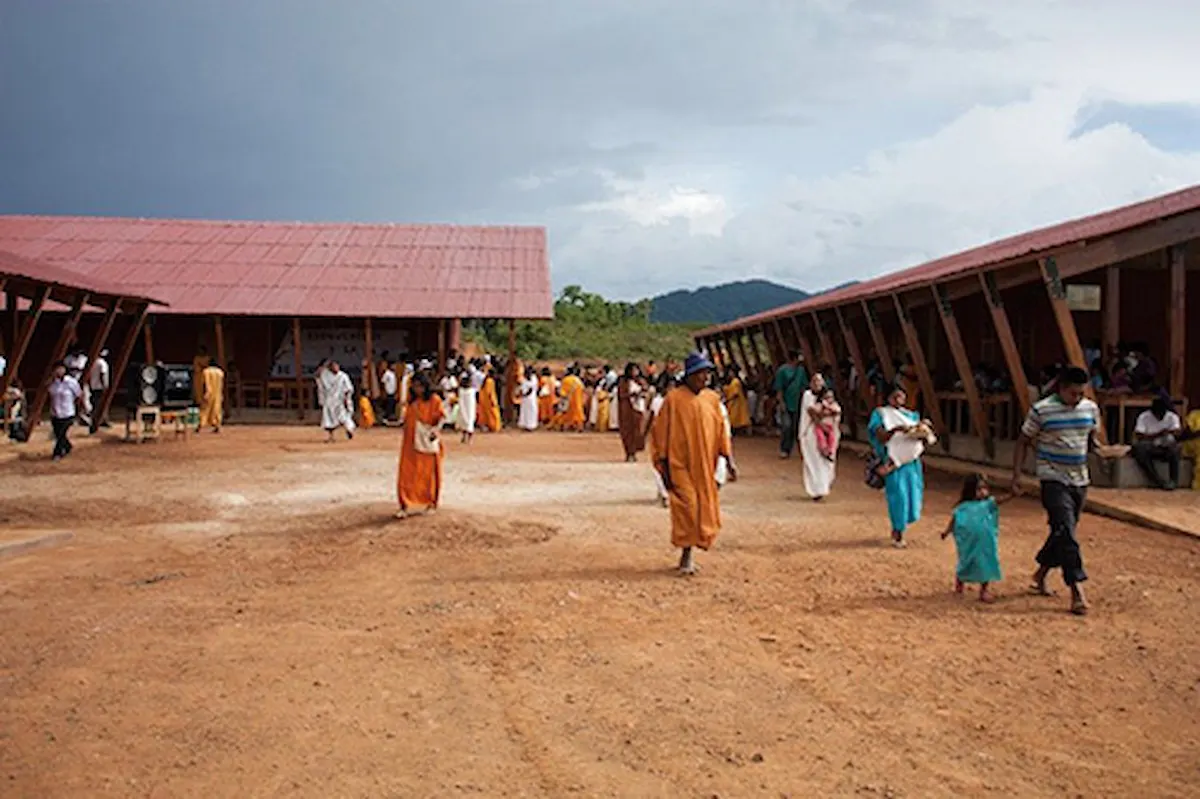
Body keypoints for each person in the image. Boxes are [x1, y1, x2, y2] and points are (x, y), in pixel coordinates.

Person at [1011, 366, 1100, 616]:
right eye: (1073, 394)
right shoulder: (1042, 410)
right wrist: (1017, 475)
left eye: (1081, 394)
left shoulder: (1090, 409)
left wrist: (1103, 451)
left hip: (1080, 479)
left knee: (1063, 531)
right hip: (1052, 478)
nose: (1078, 398)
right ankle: (1076, 588)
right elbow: (1023, 441)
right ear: (1061, 389)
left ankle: (1040, 574)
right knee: (1065, 530)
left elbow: (1091, 439)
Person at [650, 353, 737, 576]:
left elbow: (721, 432)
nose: (704, 378)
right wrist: (662, 463)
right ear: (688, 376)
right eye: (700, 373)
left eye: (707, 373)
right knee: (688, 506)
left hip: (704, 466)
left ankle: (691, 549)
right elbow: (660, 433)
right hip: (679, 465)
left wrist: (728, 459)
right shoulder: (673, 399)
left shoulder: (712, 399)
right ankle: (686, 553)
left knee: (703, 507)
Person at [867, 386, 927, 548]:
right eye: (896, 396)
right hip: (894, 461)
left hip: (911, 462)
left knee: (913, 495)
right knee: (898, 497)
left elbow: (922, 437)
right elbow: (881, 436)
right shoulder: (881, 414)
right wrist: (897, 430)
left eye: (902, 396)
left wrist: (924, 431)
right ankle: (897, 532)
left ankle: (903, 524)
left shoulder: (912, 415)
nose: (899, 399)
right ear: (889, 398)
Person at [941, 473, 1011, 603]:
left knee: (986, 564)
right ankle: (959, 585)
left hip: (985, 543)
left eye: (985, 488)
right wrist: (946, 532)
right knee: (965, 562)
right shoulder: (962, 507)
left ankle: (983, 590)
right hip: (969, 542)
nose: (983, 491)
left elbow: (1000, 500)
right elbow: (955, 520)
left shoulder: (988, 504)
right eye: (979, 488)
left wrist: (1012, 494)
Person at [396, 372, 445, 519]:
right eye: (415, 386)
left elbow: (441, 417)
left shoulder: (434, 400)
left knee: (429, 474)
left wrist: (436, 431)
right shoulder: (412, 402)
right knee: (407, 473)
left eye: (420, 386)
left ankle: (431, 502)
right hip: (410, 444)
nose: (417, 389)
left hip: (427, 442)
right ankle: (404, 504)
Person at [798, 375, 839, 501]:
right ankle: (816, 489)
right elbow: (812, 412)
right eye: (815, 381)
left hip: (829, 432)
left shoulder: (827, 398)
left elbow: (836, 412)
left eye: (820, 381)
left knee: (826, 461)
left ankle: (824, 485)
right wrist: (821, 425)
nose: (817, 384)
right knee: (813, 460)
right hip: (810, 431)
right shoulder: (808, 396)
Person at [1131, 397, 1183, 490]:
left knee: (1175, 449)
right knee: (1139, 449)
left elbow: (1177, 432)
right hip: (1150, 446)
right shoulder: (1144, 417)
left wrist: (1168, 433)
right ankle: (1157, 480)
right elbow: (1139, 435)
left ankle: (1173, 481)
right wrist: (1157, 434)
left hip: (1166, 447)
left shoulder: (1172, 417)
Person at [773, 351, 809, 459]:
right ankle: (784, 449)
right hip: (786, 403)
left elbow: (804, 387)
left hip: (798, 403)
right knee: (787, 427)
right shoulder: (782, 371)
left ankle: (795, 449)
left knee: (796, 428)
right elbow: (779, 388)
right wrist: (781, 403)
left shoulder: (801, 371)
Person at [47, 361, 82, 461]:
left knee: (61, 433)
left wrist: (78, 409)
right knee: (58, 433)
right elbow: (48, 391)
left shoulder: (71, 382)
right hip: (55, 413)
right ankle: (67, 446)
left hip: (68, 412)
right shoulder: (53, 383)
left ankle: (57, 453)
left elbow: (79, 394)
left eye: (60, 368)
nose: (58, 371)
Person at [318, 360, 356, 442]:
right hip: (329, 401)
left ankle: (349, 430)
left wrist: (346, 400)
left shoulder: (343, 376)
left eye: (336, 366)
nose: (335, 368)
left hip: (340, 400)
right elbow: (321, 386)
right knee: (329, 420)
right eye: (333, 367)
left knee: (344, 417)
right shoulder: (325, 375)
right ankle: (331, 436)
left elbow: (348, 389)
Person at [617, 363, 645, 462]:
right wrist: (631, 395)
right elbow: (621, 395)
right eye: (633, 370)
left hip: (637, 409)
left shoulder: (640, 381)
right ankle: (629, 453)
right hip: (627, 409)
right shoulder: (623, 382)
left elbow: (646, 391)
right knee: (627, 431)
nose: (635, 372)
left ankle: (634, 452)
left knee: (637, 431)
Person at [811, 385, 842, 461]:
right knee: (820, 435)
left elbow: (837, 411)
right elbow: (815, 410)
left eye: (831, 397)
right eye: (827, 397)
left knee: (832, 437)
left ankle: (830, 451)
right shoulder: (820, 405)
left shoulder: (834, 405)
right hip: (821, 425)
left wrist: (827, 407)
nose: (829, 399)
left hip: (831, 426)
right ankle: (824, 448)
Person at [197, 357, 225, 433]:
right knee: (216, 410)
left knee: (205, 409)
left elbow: (204, 383)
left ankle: (200, 425)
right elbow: (222, 384)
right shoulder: (220, 372)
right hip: (217, 393)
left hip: (208, 392)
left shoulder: (206, 371)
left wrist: (203, 392)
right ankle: (217, 425)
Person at [87, 348, 111, 433]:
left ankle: (99, 421)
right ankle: (96, 423)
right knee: (100, 405)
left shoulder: (93, 362)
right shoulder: (102, 363)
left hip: (93, 387)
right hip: (100, 387)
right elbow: (102, 374)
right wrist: (104, 385)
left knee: (95, 406)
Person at [457, 361, 480, 442]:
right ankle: (464, 436)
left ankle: (469, 437)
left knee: (470, 416)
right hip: (464, 394)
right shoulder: (462, 376)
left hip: (469, 396)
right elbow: (460, 383)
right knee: (463, 416)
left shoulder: (473, 380)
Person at [558, 366, 586, 432]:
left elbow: (562, 392)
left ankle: (564, 426)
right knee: (578, 413)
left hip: (569, 400)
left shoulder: (565, 380)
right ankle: (579, 427)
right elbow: (583, 389)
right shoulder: (578, 380)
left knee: (565, 413)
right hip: (578, 401)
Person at [722, 370, 751, 435]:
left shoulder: (735, 382)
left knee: (737, 417)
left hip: (737, 402)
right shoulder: (731, 382)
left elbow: (736, 394)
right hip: (733, 402)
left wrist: (728, 400)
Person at [477, 366, 502, 432]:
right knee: (494, 414)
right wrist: (493, 401)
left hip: (484, 400)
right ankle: (495, 427)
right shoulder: (490, 381)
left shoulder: (486, 380)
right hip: (489, 400)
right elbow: (490, 392)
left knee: (487, 414)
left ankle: (489, 426)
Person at [516, 366, 539, 431]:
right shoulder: (524, 379)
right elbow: (521, 387)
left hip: (531, 398)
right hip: (525, 399)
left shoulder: (534, 378)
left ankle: (531, 426)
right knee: (524, 411)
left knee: (531, 411)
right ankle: (525, 425)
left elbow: (530, 389)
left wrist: (524, 394)